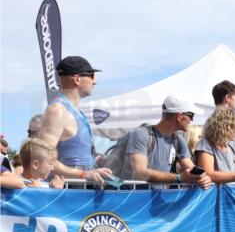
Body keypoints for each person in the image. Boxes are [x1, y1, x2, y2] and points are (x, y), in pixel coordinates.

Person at [36, 56, 114, 185]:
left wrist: (94, 163)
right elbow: (44, 159)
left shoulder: (78, 113)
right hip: (67, 195)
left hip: (80, 193)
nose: (94, 82)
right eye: (91, 76)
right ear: (77, 79)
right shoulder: (57, 111)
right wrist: (84, 174)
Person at [123, 96, 213, 189]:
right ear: (180, 116)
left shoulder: (179, 140)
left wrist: (204, 178)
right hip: (135, 200)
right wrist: (179, 178)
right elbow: (140, 173)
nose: (192, 120)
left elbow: (191, 169)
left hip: (158, 200)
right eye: (191, 116)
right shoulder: (141, 134)